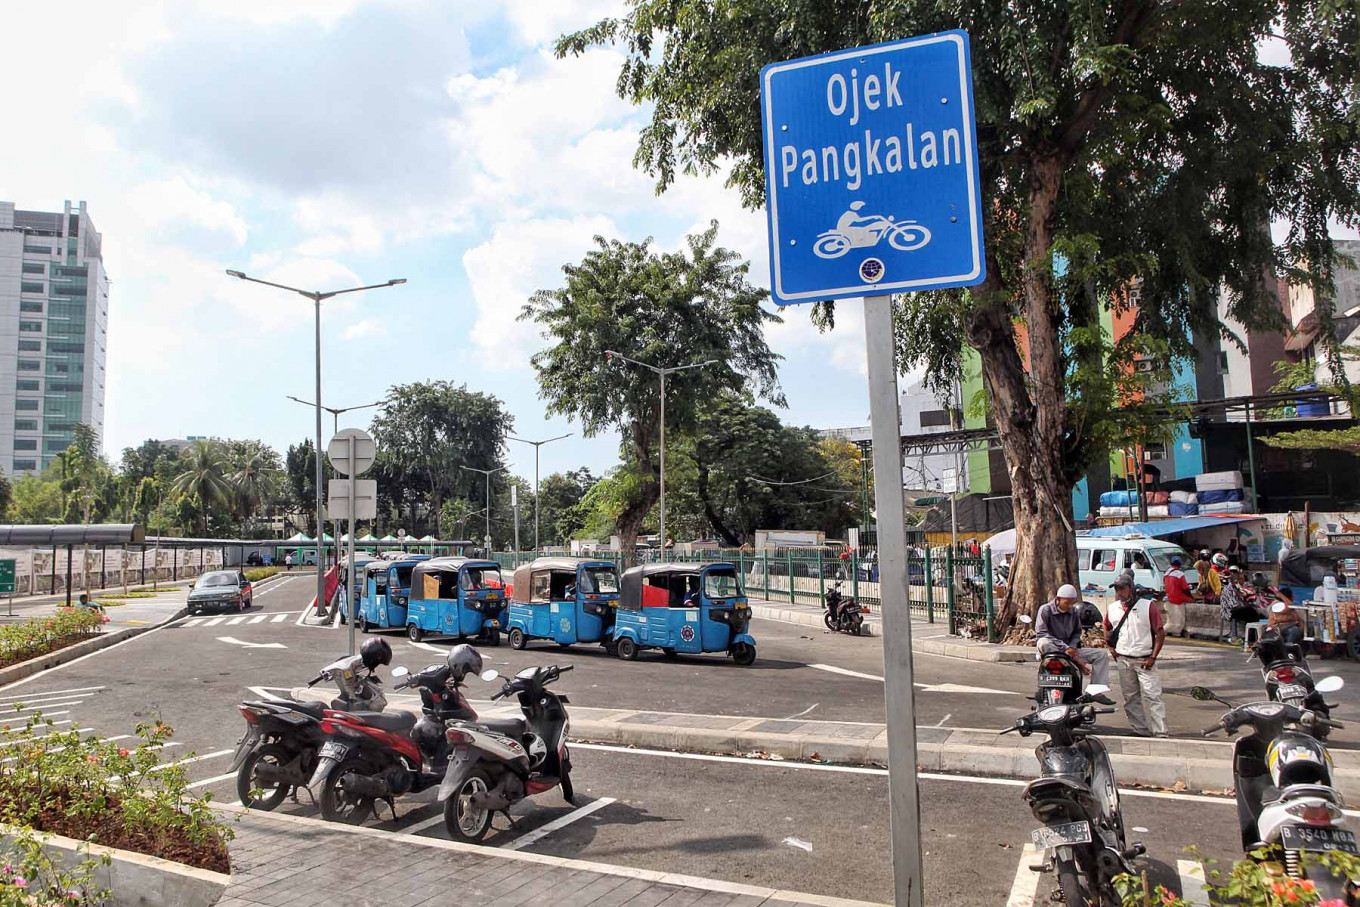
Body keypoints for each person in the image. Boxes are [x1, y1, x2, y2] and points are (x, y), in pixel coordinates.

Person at [1104, 575, 1168, 737]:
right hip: (1124, 659)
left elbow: (1159, 633)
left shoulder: (1148, 606)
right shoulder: (1112, 608)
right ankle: (1140, 729)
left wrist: (1153, 657)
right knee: (1130, 698)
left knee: (1153, 696)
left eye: (1122, 588)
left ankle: (1160, 731)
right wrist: (1112, 648)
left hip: (1144, 658)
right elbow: (1106, 628)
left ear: (1130, 588)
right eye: (1117, 588)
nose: (1119, 592)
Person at [1034, 584, 1115, 704]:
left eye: (1072, 603)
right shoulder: (1045, 610)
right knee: (1043, 642)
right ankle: (1077, 661)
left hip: (1071, 651)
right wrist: (1067, 649)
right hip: (1053, 649)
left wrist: (1071, 647)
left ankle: (1095, 691)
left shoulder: (1074, 612)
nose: (1069, 606)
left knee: (1101, 654)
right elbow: (1042, 633)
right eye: (1067, 603)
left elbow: (1077, 633)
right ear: (1058, 599)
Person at [1220, 564, 1263, 643]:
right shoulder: (1229, 589)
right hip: (1229, 611)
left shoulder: (1237, 588)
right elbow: (1233, 605)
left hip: (1237, 609)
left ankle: (1251, 637)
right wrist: (1247, 606)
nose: (1243, 582)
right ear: (1236, 581)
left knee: (1254, 613)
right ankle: (1250, 638)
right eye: (1242, 580)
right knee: (1251, 611)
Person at [1163, 555, 1194, 638]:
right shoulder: (1180, 574)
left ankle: (1169, 635)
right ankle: (1160, 632)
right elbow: (1185, 589)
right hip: (1177, 601)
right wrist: (1191, 597)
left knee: (1170, 622)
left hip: (1168, 600)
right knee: (1177, 623)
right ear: (1180, 565)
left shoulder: (1166, 574)